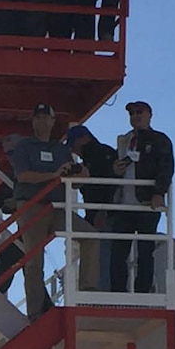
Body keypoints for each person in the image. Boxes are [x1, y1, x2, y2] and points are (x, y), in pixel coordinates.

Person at [4, 103, 83, 315]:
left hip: (56, 207)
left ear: (52, 121)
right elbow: (23, 176)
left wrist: (79, 173)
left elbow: (76, 179)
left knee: (91, 236)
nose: (42, 121)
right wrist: (54, 175)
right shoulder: (24, 147)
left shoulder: (60, 149)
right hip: (32, 206)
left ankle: (87, 292)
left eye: (45, 117)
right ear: (33, 121)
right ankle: (36, 313)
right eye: (38, 117)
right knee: (33, 262)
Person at [106, 100, 174, 294]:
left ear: (150, 115)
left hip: (145, 202)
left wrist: (158, 193)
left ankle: (143, 290)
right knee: (118, 252)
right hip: (124, 204)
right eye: (132, 113)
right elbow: (117, 168)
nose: (135, 115)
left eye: (139, 112)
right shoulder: (124, 140)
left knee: (145, 250)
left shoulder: (160, 140)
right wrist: (115, 171)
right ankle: (118, 291)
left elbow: (166, 168)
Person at [65, 121, 117, 292]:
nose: (74, 150)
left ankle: (101, 293)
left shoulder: (100, 154)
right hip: (97, 213)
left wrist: (103, 211)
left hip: (104, 214)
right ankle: (98, 290)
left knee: (102, 254)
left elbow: (110, 185)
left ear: (85, 139)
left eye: (74, 144)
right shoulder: (98, 155)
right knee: (99, 252)